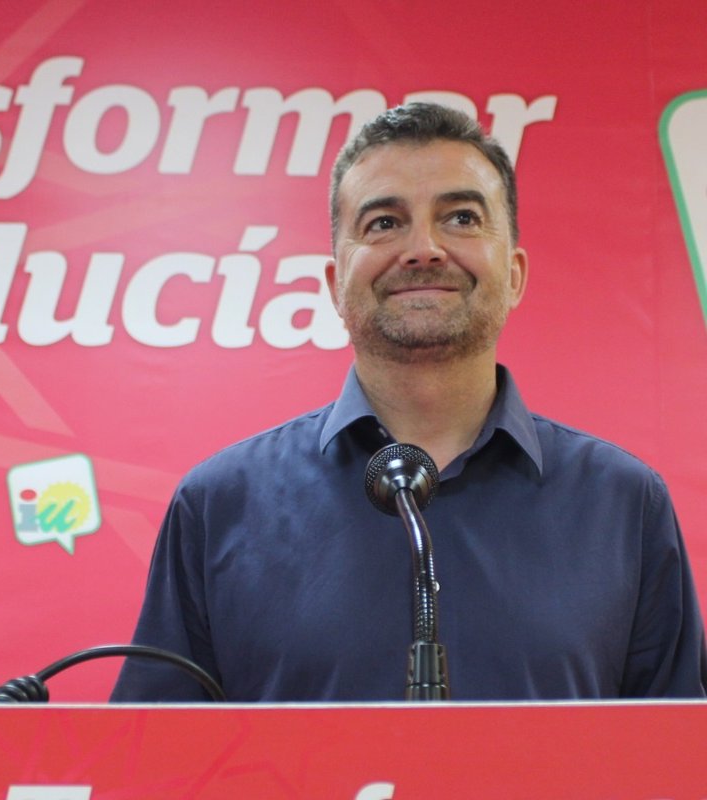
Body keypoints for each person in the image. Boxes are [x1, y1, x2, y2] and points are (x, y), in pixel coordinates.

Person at [111, 102, 707, 702]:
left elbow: (680, 750)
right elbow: (153, 751)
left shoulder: (624, 505)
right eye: (384, 223)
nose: (424, 248)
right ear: (335, 285)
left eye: (462, 218)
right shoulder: (219, 506)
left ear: (515, 274)